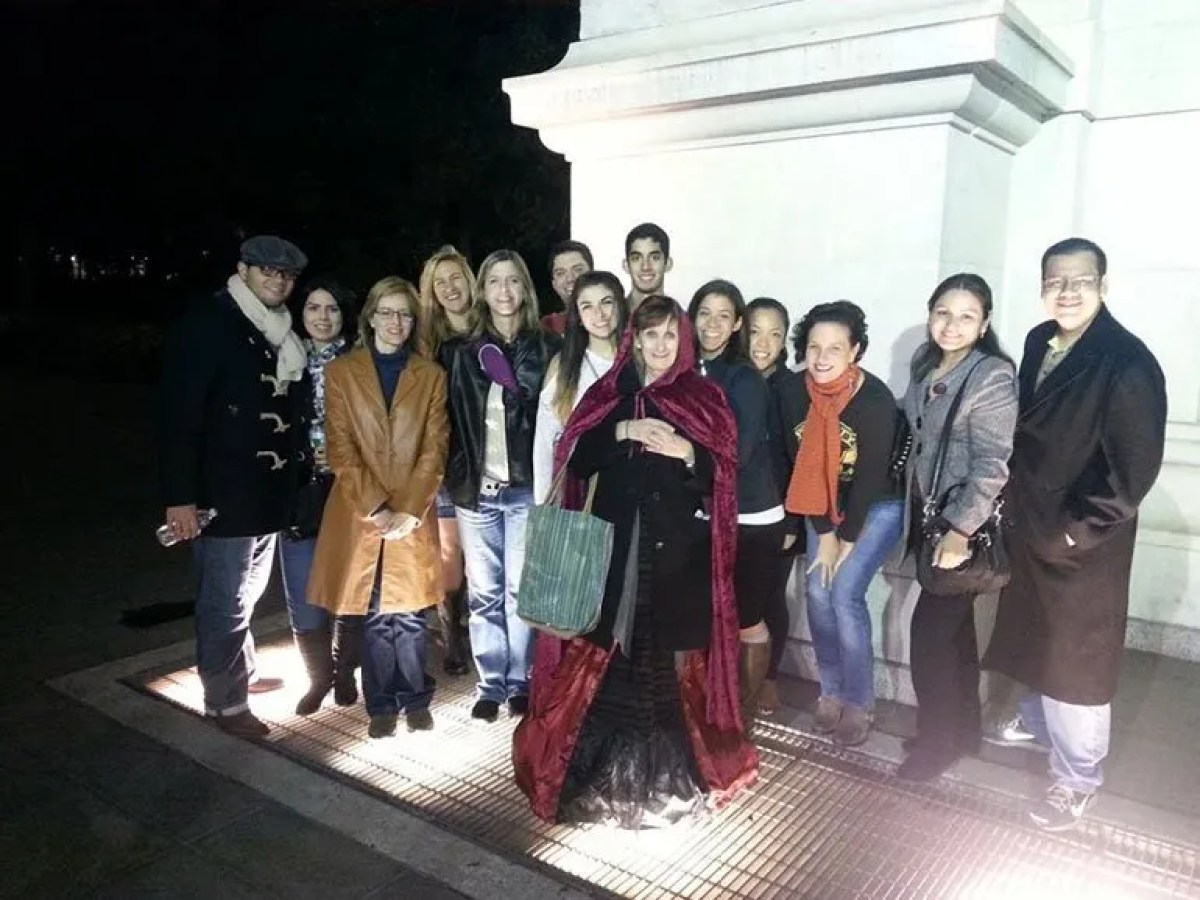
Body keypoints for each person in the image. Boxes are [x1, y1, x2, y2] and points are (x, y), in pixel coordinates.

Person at [514, 295, 758, 828]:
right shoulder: (611, 392)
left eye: (671, 336)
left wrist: (688, 453)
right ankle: (601, 775)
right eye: (650, 335)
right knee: (613, 652)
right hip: (614, 552)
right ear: (634, 339)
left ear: (684, 341)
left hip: (676, 558)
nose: (660, 346)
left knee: (664, 662)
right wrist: (624, 431)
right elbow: (575, 456)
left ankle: (666, 783)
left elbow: (723, 476)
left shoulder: (704, 396)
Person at [982, 238, 1167, 830]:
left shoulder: (1128, 362)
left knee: (1078, 664)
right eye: (1054, 281)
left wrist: (1071, 535)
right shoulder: (1041, 341)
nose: (1066, 291)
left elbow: (1130, 475)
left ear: (1104, 286)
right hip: (1032, 526)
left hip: (1081, 545)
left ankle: (1078, 780)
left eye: (1080, 281)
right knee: (1039, 638)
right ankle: (1039, 727)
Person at [158, 235, 308, 738]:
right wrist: (180, 497)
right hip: (221, 494)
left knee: (246, 592)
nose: (277, 280)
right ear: (242, 269)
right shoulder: (210, 322)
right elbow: (179, 415)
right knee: (224, 598)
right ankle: (225, 702)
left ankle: (240, 671)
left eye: (285, 275)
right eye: (267, 271)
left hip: (263, 492)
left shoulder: (277, 329)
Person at [308, 277, 449, 738]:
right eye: (386, 313)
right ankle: (381, 703)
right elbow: (341, 449)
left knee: (408, 615)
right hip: (359, 509)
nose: (395, 322)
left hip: (413, 509)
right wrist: (377, 507)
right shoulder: (343, 374)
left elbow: (435, 448)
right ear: (370, 318)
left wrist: (409, 508)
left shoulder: (429, 375)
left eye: (404, 314)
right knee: (372, 614)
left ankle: (415, 698)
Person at [894, 274, 1016, 781]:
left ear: (984, 323)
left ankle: (936, 743)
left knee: (928, 638)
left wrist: (960, 531)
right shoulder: (929, 367)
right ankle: (963, 729)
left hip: (957, 526)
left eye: (967, 316)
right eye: (943, 312)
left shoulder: (990, 376)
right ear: (930, 313)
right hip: (932, 518)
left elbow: (993, 463)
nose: (952, 324)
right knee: (956, 635)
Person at [443, 250, 561, 722]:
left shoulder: (547, 348)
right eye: (495, 282)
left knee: (517, 591)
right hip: (476, 491)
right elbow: (447, 421)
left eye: (514, 281)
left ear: (526, 290)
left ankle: (520, 681)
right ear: (483, 290)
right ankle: (490, 683)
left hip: (525, 491)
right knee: (482, 592)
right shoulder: (459, 352)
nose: (505, 291)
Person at [786, 301, 903, 747]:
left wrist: (845, 537)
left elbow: (872, 476)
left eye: (835, 347)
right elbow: (803, 468)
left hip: (876, 506)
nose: (822, 356)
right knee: (816, 592)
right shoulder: (795, 393)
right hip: (823, 504)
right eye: (814, 346)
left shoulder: (872, 400)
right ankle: (830, 690)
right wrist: (825, 532)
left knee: (844, 592)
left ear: (855, 351)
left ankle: (859, 701)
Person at [688, 280, 783, 722]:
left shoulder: (744, 378)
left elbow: (738, 452)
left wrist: (685, 456)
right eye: (704, 313)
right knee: (706, 617)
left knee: (747, 619)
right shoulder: (685, 369)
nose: (712, 324)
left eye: (724, 315)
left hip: (752, 514)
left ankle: (742, 717)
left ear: (737, 323)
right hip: (705, 512)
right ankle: (712, 705)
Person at [280, 277, 361, 715]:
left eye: (331, 309)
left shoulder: (358, 363)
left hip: (347, 486)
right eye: (313, 308)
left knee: (351, 583)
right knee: (301, 586)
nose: (322, 317)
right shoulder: (284, 358)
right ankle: (318, 678)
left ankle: (346, 671)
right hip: (298, 487)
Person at [416, 245, 475, 676]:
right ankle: (452, 633)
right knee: (451, 549)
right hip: (445, 460)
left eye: (456, 278)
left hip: (488, 459)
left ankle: (478, 625)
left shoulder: (491, 328)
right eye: (441, 282)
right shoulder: (426, 343)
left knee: (486, 553)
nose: (450, 288)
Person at [745, 296, 806, 714]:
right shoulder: (731, 377)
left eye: (775, 333)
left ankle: (768, 680)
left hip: (779, 514)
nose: (764, 342)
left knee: (769, 597)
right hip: (735, 510)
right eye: (755, 331)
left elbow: (800, 459)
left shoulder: (791, 389)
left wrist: (792, 519)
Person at [533, 270, 627, 503]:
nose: (599, 314)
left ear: (620, 305)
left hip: (631, 489)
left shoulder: (641, 360)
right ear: (578, 316)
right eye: (587, 306)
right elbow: (545, 441)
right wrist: (543, 505)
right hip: (581, 490)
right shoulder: (564, 366)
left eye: (607, 302)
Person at [541, 240, 594, 335]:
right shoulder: (548, 326)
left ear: (593, 274)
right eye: (560, 273)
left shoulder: (612, 318)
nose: (570, 279)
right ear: (554, 284)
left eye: (578, 270)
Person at [622, 222, 672, 309]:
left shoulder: (682, 320)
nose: (645, 267)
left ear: (668, 263)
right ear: (626, 265)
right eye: (636, 258)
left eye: (655, 258)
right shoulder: (611, 319)